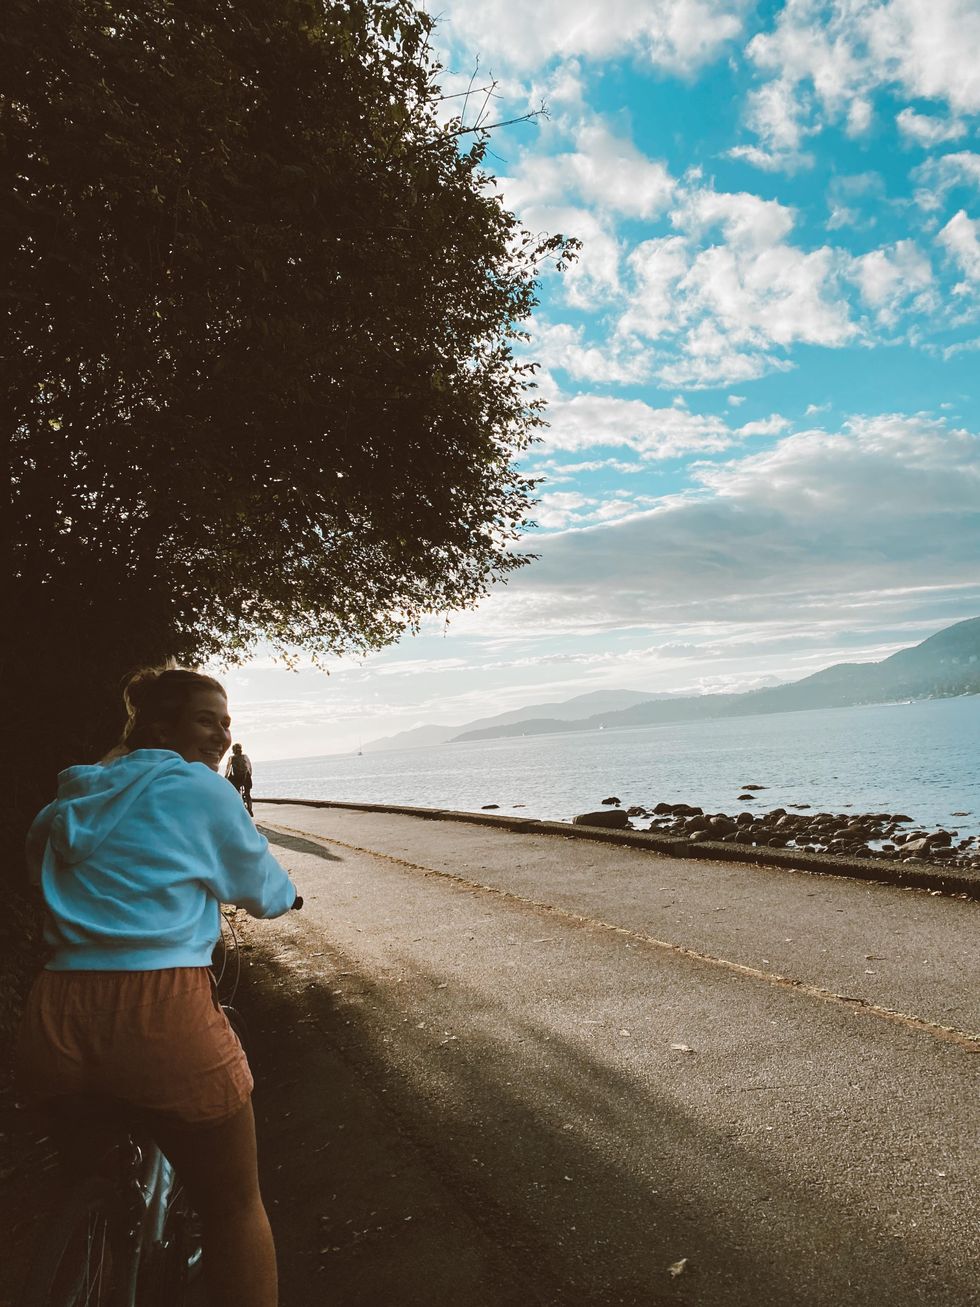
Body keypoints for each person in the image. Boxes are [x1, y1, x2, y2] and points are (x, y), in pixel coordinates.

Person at [15, 665, 297, 1307]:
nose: (223, 735)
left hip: (57, 1010)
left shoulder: (70, 797)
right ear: (158, 727)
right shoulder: (200, 789)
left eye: (227, 723)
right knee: (234, 1206)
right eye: (207, 720)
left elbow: (38, 870)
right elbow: (261, 886)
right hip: (160, 1008)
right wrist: (286, 898)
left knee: (91, 1184)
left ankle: (95, 1257)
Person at [225, 741, 254, 815]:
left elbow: (228, 770)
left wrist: (225, 778)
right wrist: (249, 775)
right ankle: (250, 809)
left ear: (234, 750)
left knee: (236, 793)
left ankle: (239, 808)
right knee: (247, 794)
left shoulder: (232, 758)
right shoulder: (245, 756)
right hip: (246, 777)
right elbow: (249, 767)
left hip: (237, 779)